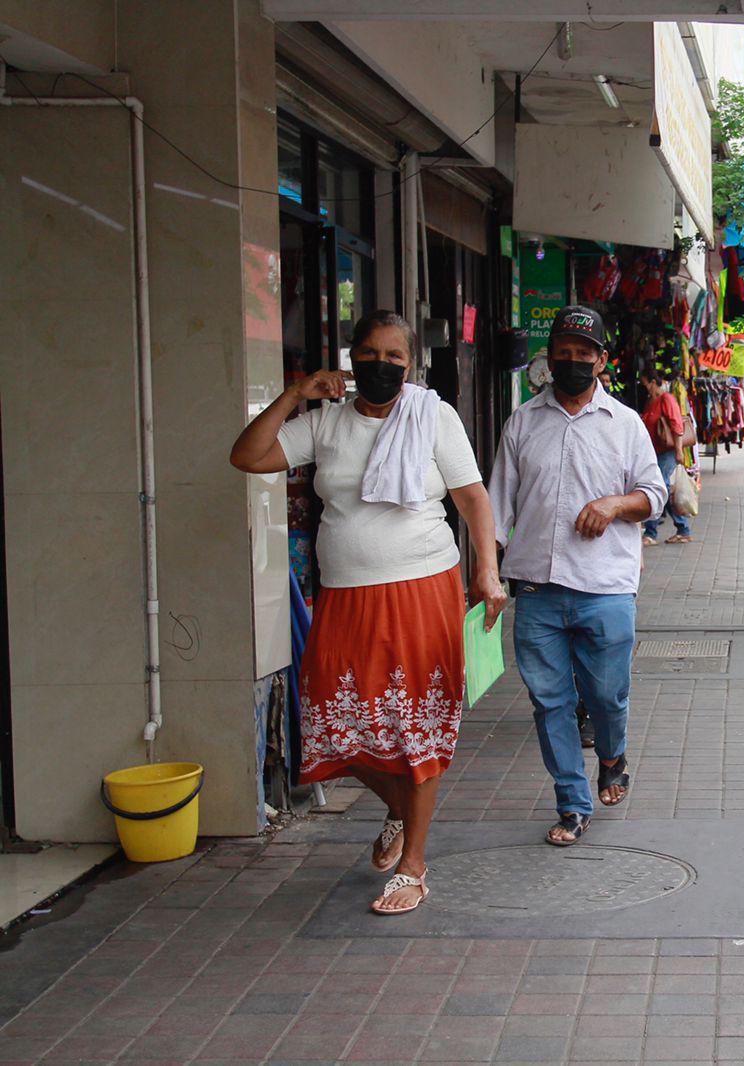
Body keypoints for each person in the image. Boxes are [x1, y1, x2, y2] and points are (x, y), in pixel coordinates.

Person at [229, 310, 505, 916]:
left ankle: (414, 863)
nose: (381, 366)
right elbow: (247, 456)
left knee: (417, 725)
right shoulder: (325, 423)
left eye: (394, 358)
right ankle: (403, 812)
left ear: (412, 366)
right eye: (369, 354)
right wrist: (296, 392)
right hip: (345, 594)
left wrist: (485, 569)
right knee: (332, 722)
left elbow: (473, 499)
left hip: (422, 589)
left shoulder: (433, 416)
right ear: (351, 360)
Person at [488, 305, 668, 847]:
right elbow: (496, 510)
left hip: (606, 588)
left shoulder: (627, 424)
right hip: (537, 590)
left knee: (607, 696)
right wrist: (483, 578)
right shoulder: (522, 422)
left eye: (582, 354)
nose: (571, 361)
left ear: (601, 360)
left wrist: (615, 504)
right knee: (550, 702)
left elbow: (655, 496)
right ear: (548, 359)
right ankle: (572, 801)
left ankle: (612, 756)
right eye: (562, 352)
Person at [640, 368, 693, 546]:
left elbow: (676, 425)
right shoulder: (651, 401)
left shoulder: (666, 399)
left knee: (659, 487)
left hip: (667, 452)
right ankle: (681, 528)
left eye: (644, 382)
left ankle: (652, 532)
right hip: (655, 451)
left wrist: (679, 451)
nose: (643, 386)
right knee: (661, 487)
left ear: (653, 382)